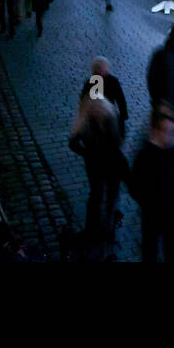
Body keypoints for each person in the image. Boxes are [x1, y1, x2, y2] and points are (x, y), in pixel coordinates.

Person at [129, 103, 174, 262]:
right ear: (156, 130)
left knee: (173, 252)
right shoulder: (146, 154)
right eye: (165, 130)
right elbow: (134, 183)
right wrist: (146, 202)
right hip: (152, 213)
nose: (169, 135)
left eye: (171, 130)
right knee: (150, 250)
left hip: (173, 213)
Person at [68, 95, 126, 244]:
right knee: (96, 195)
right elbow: (73, 143)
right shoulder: (85, 121)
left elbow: (118, 141)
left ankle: (107, 225)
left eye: (99, 109)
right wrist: (87, 154)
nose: (97, 112)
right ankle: (92, 228)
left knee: (111, 194)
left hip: (111, 164)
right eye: (94, 110)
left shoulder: (112, 118)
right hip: (94, 165)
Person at [80, 57, 128, 135]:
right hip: (109, 114)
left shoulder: (89, 82)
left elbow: (83, 100)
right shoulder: (113, 81)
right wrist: (123, 115)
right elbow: (120, 99)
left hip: (95, 116)